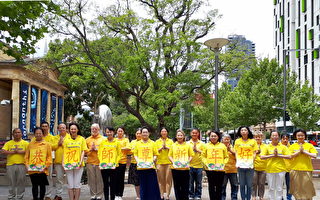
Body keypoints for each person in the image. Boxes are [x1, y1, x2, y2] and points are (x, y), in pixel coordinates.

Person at [261, 131, 290, 200]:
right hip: (270, 170)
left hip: (281, 170)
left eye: (276, 135)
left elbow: (289, 156)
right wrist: (272, 155)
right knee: (271, 187)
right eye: (273, 135)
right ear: (270, 137)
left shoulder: (283, 147)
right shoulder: (267, 146)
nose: (275, 137)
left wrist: (279, 155)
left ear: (279, 137)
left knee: (279, 188)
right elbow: (262, 156)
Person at [1, 128, 29, 200]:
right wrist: (13, 152)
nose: (17, 134)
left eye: (19, 132)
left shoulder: (25, 143)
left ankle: (20, 196)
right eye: (15, 133)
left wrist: (20, 152)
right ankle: (11, 196)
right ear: (13, 134)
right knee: (11, 181)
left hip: (22, 165)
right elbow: (3, 151)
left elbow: (30, 151)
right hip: (11, 165)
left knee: (21, 181)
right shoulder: (9, 143)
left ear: (21, 134)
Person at [25, 127, 52, 200]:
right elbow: (26, 157)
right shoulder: (30, 144)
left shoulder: (47, 145)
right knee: (34, 186)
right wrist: (27, 166)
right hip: (32, 169)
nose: (38, 135)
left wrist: (45, 166)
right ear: (34, 134)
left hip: (43, 170)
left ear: (43, 134)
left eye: (40, 133)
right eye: (36, 133)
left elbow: (49, 157)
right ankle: (35, 198)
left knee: (42, 186)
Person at [289, 129, 317, 200]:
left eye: (302, 135)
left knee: (307, 189)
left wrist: (304, 151)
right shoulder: (292, 146)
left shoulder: (309, 145)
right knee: (297, 190)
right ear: (296, 136)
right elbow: (290, 156)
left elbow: (314, 155)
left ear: (305, 136)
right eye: (298, 135)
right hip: (295, 170)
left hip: (306, 169)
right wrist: (298, 152)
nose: (300, 137)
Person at [134, 127, 161, 200]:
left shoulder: (153, 143)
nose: (145, 134)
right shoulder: (137, 144)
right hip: (141, 167)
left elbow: (156, 154)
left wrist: (153, 160)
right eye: (143, 132)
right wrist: (138, 161)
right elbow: (135, 154)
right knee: (143, 185)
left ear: (149, 133)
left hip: (150, 167)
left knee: (152, 185)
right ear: (141, 134)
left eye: (146, 132)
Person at [62, 122, 88, 200]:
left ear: (77, 130)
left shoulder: (82, 139)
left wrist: (80, 161)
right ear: (69, 130)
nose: (73, 130)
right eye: (71, 129)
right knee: (70, 185)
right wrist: (63, 162)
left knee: (77, 184)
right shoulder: (66, 139)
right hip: (68, 164)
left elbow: (83, 151)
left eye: (74, 129)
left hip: (78, 165)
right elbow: (64, 152)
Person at [202, 131, 228, 200]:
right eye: (212, 136)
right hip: (210, 169)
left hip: (220, 169)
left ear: (218, 137)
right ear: (209, 137)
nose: (213, 137)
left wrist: (223, 163)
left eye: (215, 136)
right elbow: (203, 156)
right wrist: (206, 164)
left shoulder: (222, 146)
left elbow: (226, 157)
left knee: (219, 186)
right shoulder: (206, 146)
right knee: (211, 186)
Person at [32, 122, 55, 200]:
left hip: (47, 162)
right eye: (43, 126)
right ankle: (36, 196)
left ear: (48, 127)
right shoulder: (33, 140)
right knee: (36, 181)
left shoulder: (52, 138)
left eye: (46, 126)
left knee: (48, 178)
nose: (44, 127)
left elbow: (54, 147)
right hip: (35, 163)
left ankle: (47, 195)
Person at [234, 126, 258, 200]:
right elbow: (236, 152)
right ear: (240, 132)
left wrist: (251, 161)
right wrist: (237, 161)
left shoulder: (253, 141)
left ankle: (248, 198)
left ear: (248, 132)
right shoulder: (237, 141)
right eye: (242, 130)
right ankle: (243, 198)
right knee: (242, 184)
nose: (243, 131)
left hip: (250, 166)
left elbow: (255, 152)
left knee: (249, 184)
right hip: (240, 166)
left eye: (245, 130)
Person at [169, 129, 193, 200]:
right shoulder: (173, 145)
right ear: (176, 136)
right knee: (177, 185)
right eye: (178, 135)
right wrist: (173, 162)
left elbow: (191, 155)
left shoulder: (188, 145)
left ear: (184, 136)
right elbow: (169, 155)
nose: (180, 137)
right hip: (175, 169)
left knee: (185, 185)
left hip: (185, 169)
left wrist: (188, 162)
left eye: (181, 135)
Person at [98, 126, 121, 200]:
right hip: (104, 166)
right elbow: (99, 153)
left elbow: (119, 154)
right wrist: (101, 163)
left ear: (113, 132)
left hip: (114, 167)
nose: (109, 133)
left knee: (113, 184)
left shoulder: (117, 142)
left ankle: (112, 198)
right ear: (105, 133)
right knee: (105, 184)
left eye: (110, 132)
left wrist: (115, 163)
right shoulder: (102, 142)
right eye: (107, 132)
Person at [51, 123, 70, 200]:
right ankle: (58, 195)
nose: (62, 129)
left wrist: (63, 145)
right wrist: (58, 144)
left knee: (71, 180)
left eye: (63, 128)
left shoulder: (70, 137)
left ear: (66, 129)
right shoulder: (55, 138)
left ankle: (72, 195)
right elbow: (52, 147)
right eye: (60, 128)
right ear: (58, 129)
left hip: (69, 161)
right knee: (59, 179)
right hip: (58, 161)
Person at [86, 124, 105, 200]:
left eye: (95, 129)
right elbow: (84, 151)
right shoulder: (87, 140)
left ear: (99, 129)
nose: (94, 130)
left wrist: (97, 149)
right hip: (90, 162)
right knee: (91, 180)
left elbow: (105, 150)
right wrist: (90, 149)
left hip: (100, 162)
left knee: (99, 180)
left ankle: (100, 195)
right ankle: (93, 195)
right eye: (92, 129)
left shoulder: (103, 139)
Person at [155, 127, 173, 200]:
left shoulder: (171, 141)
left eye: (165, 131)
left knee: (168, 180)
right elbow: (155, 151)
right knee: (160, 180)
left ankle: (167, 195)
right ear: (160, 133)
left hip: (169, 163)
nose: (164, 133)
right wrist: (161, 148)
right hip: (160, 162)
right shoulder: (157, 142)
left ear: (167, 132)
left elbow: (173, 151)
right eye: (162, 131)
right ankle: (161, 195)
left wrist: (167, 148)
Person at [187, 128, 205, 200]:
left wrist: (197, 150)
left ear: (198, 134)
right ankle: (191, 195)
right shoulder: (187, 143)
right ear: (191, 134)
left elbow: (205, 153)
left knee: (198, 182)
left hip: (199, 165)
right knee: (190, 182)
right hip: (190, 165)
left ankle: (198, 195)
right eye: (193, 133)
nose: (194, 134)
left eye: (196, 133)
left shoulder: (202, 143)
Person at [114, 127, 130, 200]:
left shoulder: (126, 140)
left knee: (121, 179)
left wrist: (121, 148)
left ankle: (120, 194)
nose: (120, 132)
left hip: (122, 162)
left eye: (121, 131)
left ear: (123, 132)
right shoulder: (114, 140)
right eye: (118, 131)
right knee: (114, 179)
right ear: (116, 132)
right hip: (114, 162)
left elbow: (128, 147)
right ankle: (115, 194)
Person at [221, 134, 238, 200]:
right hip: (223, 170)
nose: (226, 140)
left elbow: (238, 157)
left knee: (235, 185)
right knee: (222, 186)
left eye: (228, 139)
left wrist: (230, 150)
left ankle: (234, 198)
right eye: (225, 139)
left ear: (230, 140)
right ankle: (222, 198)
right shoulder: (220, 148)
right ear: (222, 140)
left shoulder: (233, 148)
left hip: (233, 169)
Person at [128, 128, 142, 200]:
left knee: (143, 180)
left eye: (140, 133)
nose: (138, 135)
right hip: (134, 163)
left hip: (143, 164)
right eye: (137, 133)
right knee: (136, 181)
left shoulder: (144, 142)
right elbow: (129, 151)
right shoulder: (132, 142)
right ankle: (138, 195)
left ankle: (143, 194)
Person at [252, 131, 267, 200]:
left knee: (262, 183)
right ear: (254, 138)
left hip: (263, 167)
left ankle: (261, 196)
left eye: (259, 137)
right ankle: (253, 196)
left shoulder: (265, 146)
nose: (258, 138)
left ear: (262, 138)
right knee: (254, 183)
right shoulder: (251, 146)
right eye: (256, 137)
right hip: (254, 167)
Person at [281, 134, 292, 200]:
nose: (285, 140)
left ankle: (289, 198)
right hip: (280, 169)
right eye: (283, 138)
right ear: (281, 139)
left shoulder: (291, 147)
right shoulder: (278, 147)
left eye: (287, 139)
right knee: (280, 185)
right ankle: (280, 197)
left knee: (289, 185)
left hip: (289, 169)